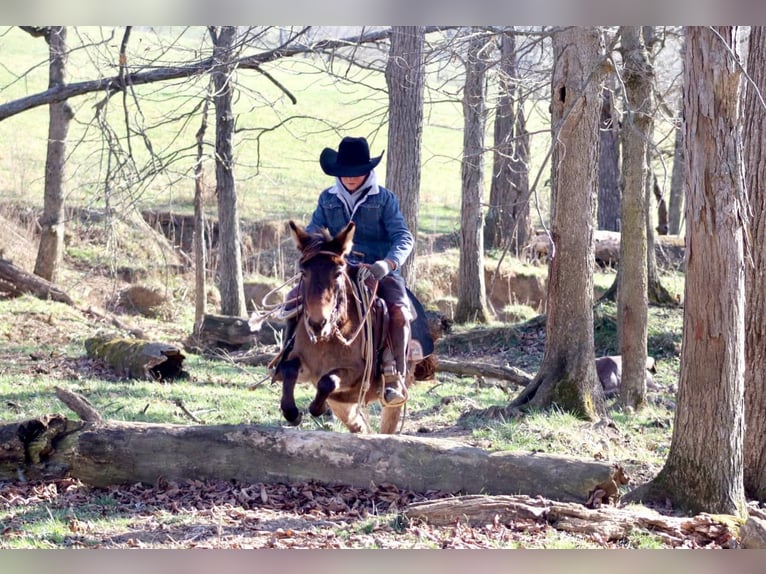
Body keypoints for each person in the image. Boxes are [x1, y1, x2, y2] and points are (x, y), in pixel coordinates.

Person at [281, 136, 415, 407]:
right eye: (345, 173)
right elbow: (316, 232)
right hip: (334, 268)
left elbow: (403, 236)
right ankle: (286, 358)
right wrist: (312, 251)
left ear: (367, 171)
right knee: (293, 300)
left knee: (398, 311)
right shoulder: (327, 199)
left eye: (356, 173)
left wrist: (387, 264)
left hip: (377, 270)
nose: (350, 178)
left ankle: (393, 375)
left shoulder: (385, 199)